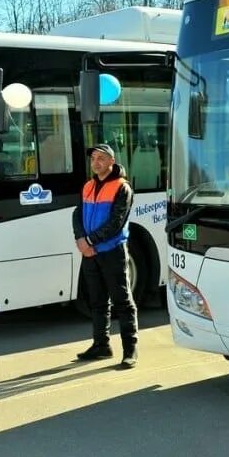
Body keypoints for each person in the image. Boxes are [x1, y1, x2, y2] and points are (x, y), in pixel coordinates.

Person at [72, 143, 138, 369]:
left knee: (123, 301)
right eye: (93, 159)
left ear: (111, 161)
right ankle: (101, 345)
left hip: (112, 252)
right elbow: (77, 214)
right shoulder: (88, 186)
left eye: (101, 158)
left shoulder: (122, 187)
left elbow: (116, 223)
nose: (96, 162)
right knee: (97, 301)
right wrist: (81, 240)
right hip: (90, 253)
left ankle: (130, 351)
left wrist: (89, 241)